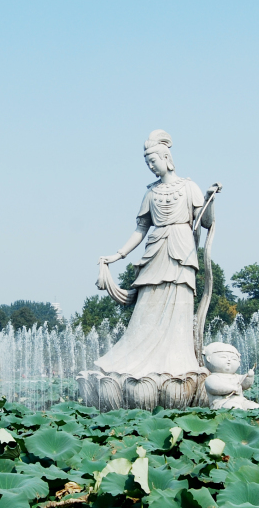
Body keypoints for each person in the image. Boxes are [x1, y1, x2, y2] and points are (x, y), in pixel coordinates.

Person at [94, 130, 219, 379]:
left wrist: (208, 199)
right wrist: (118, 255)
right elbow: (141, 229)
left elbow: (204, 222)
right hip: (155, 250)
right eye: (147, 163)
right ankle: (136, 362)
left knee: (179, 305)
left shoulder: (188, 187)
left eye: (154, 161)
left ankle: (178, 363)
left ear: (167, 158)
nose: (151, 167)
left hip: (181, 251)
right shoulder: (150, 193)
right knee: (146, 305)